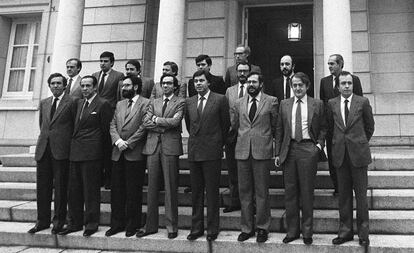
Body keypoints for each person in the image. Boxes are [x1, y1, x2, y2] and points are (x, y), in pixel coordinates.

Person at [275, 72, 327, 245]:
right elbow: (279, 130)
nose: (297, 88)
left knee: (306, 192)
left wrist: (318, 146)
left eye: (300, 85)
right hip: (289, 150)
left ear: (307, 86)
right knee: (290, 192)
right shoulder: (284, 104)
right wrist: (277, 153)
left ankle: (307, 232)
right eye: (294, 85)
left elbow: (324, 127)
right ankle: (292, 231)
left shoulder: (317, 104)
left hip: (307, 149)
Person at [59, 75, 112, 237]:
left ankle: (91, 223)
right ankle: (74, 223)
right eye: (82, 86)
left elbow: (105, 133)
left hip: (92, 154)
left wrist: (104, 160)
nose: (84, 89)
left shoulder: (103, 104)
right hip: (75, 153)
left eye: (88, 86)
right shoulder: (78, 103)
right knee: (73, 191)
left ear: (95, 87)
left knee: (90, 191)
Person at [328, 71, 374, 249]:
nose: (347, 86)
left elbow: (370, 127)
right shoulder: (331, 104)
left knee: (361, 197)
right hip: (340, 156)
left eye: (349, 83)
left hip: (359, 156)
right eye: (343, 83)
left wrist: (359, 143)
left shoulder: (362, 102)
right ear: (338, 86)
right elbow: (331, 128)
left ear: (353, 85)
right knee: (344, 197)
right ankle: (345, 232)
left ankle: (363, 234)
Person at [137, 73, 185, 239]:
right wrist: (162, 123)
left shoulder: (180, 102)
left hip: (170, 147)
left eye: (169, 83)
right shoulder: (153, 102)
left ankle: (172, 226)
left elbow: (176, 122)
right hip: (152, 147)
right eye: (163, 83)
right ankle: (150, 225)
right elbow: (145, 122)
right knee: (151, 188)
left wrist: (156, 121)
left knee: (171, 187)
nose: (165, 86)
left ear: (175, 86)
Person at [231, 72, 277, 243]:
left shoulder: (271, 101)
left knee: (261, 191)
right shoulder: (238, 103)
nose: (250, 84)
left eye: (254, 81)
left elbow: (275, 126)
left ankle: (262, 228)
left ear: (261, 84)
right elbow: (235, 126)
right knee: (244, 192)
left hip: (262, 151)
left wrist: (275, 149)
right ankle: (246, 228)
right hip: (242, 151)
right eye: (249, 81)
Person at [184, 69, 230, 242]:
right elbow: (190, 125)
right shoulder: (189, 102)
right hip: (195, 151)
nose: (198, 84)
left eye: (201, 80)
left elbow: (225, 125)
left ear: (208, 82)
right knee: (196, 192)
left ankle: (212, 228)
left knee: (211, 192)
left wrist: (217, 143)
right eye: (195, 81)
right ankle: (196, 227)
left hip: (212, 151)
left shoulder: (220, 99)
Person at [28, 73, 77, 235]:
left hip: (62, 151)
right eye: (53, 83)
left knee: (61, 188)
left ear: (64, 86)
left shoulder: (72, 102)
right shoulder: (44, 103)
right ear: (49, 86)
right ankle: (41, 221)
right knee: (42, 188)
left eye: (59, 83)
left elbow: (74, 126)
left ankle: (58, 222)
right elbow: (43, 125)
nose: (55, 86)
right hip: (43, 150)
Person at [105, 75, 149, 237]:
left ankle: (132, 224)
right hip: (118, 153)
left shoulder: (146, 103)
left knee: (133, 191)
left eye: (127, 86)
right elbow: (112, 125)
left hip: (134, 153)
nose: (123, 88)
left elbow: (143, 127)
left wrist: (128, 143)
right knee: (116, 191)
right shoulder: (119, 104)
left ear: (136, 87)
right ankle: (116, 223)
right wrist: (117, 141)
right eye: (123, 86)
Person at [320, 54, 363, 195]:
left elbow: (359, 103)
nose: (330, 66)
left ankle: (350, 185)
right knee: (333, 157)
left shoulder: (353, 80)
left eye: (332, 63)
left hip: (348, 127)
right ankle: (338, 187)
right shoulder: (324, 81)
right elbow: (323, 104)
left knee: (349, 157)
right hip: (331, 127)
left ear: (340, 64)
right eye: (329, 64)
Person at [92, 51, 124, 189]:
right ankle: (98, 177)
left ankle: (108, 178)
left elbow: (119, 97)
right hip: (94, 115)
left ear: (112, 62)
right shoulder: (94, 76)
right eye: (101, 61)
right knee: (97, 146)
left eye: (105, 61)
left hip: (109, 114)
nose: (102, 64)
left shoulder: (118, 76)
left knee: (108, 147)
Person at [223, 62, 251, 213]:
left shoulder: (254, 88)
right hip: (232, 137)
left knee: (248, 172)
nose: (242, 74)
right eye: (239, 71)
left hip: (247, 136)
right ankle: (234, 201)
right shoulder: (229, 91)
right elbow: (225, 112)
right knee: (233, 171)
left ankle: (249, 204)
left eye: (245, 71)